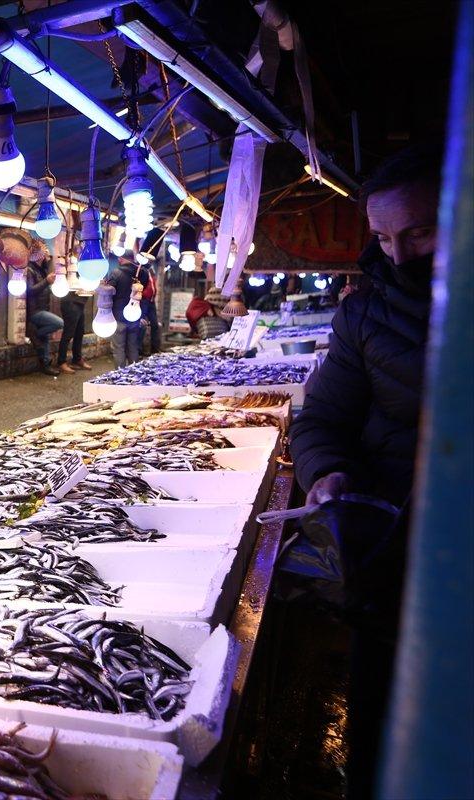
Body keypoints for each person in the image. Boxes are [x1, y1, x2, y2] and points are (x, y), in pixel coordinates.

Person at [288, 142, 440, 799]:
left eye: (420, 233)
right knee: (381, 726)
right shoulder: (364, 311)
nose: (398, 255)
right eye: (382, 237)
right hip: (389, 566)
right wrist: (324, 472)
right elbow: (321, 420)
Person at [23, 235, 62, 376]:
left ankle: (45, 364)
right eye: (44, 251)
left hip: (43, 308)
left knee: (45, 340)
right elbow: (30, 290)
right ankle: (35, 334)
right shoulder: (30, 270)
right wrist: (47, 281)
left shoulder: (42, 269)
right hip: (35, 311)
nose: (47, 253)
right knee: (59, 323)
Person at [104, 257, 146, 367]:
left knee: (119, 348)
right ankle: (135, 373)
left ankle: (121, 374)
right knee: (133, 347)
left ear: (122, 258)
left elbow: (108, 293)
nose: (118, 259)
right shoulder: (141, 274)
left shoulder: (116, 273)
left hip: (118, 317)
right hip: (135, 316)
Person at [57, 284, 91, 373]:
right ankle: (61, 362)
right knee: (68, 333)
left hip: (80, 302)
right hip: (71, 302)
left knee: (79, 332)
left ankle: (77, 359)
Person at [139, 265, 161, 353]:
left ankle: (155, 348)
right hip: (143, 300)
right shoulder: (140, 270)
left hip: (151, 301)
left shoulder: (151, 270)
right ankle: (138, 350)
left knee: (155, 324)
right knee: (141, 325)